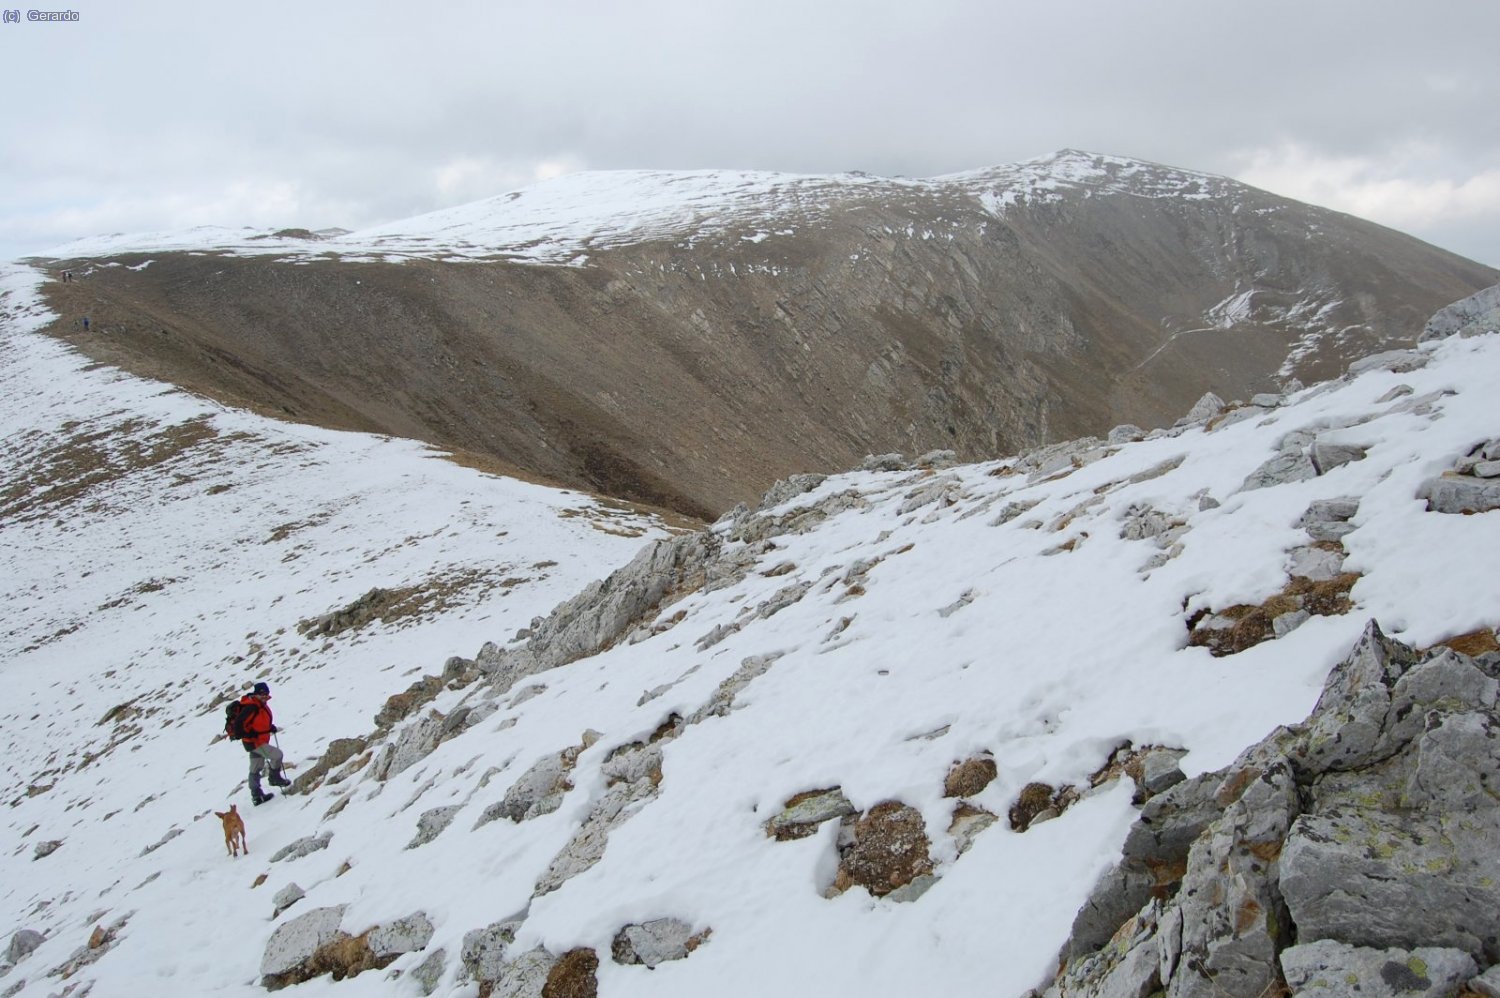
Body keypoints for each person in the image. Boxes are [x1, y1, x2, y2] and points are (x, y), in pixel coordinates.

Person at [237, 681, 291, 804]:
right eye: (262, 694)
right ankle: (274, 778)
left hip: (256, 741)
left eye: (266, 693)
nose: (265, 696)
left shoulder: (260, 705)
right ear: (256, 694)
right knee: (277, 755)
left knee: (256, 768)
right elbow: (238, 727)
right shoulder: (251, 707)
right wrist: (248, 734)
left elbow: (259, 722)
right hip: (255, 742)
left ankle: (256, 796)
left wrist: (269, 727)